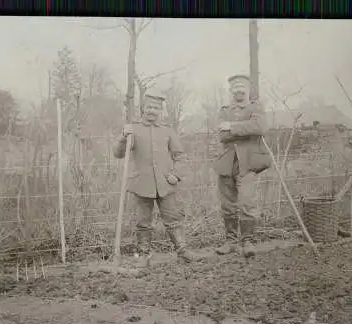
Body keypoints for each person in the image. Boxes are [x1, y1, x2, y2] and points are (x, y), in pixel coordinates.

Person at [114, 92, 202, 268]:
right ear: (143, 109)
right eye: (149, 107)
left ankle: (183, 251)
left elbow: (180, 156)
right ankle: (143, 255)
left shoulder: (167, 130)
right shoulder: (133, 129)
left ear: (160, 111)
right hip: (141, 184)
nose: (152, 111)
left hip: (165, 184)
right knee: (143, 223)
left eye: (156, 108)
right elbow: (118, 154)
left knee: (173, 220)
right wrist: (123, 137)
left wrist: (175, 175)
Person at [212, 74, 271, 258]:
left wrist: (231, 126)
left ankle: (248, 241)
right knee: (228, 205)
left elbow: (260, 127)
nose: (238, 90)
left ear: (248, 89)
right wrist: (244, 129)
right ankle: (230, 241)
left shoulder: (256, 107)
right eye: (235, 87)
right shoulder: (224, 110)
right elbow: (223, 136)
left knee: (247, 202)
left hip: (248, 163)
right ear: (231, 90)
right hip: (227, 161)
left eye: (242, 87)